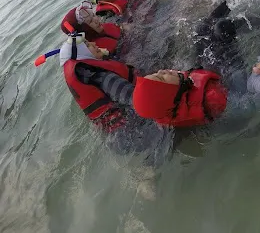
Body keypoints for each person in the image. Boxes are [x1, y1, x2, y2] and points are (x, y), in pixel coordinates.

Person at [34, 33, 173, 165]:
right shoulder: (99, 77)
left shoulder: (88, 72)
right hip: (130, 133)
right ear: (82, 54)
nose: (94, 44)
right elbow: (134, 98)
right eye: (88, 45)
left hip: (116, 137)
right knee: (168, 133)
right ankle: (150, 171)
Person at [131, 68, 228, 127]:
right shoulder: (213, 97)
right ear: (169, 94)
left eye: (155, 73)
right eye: (161, 77)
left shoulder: (166, 115)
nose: (160, 71)